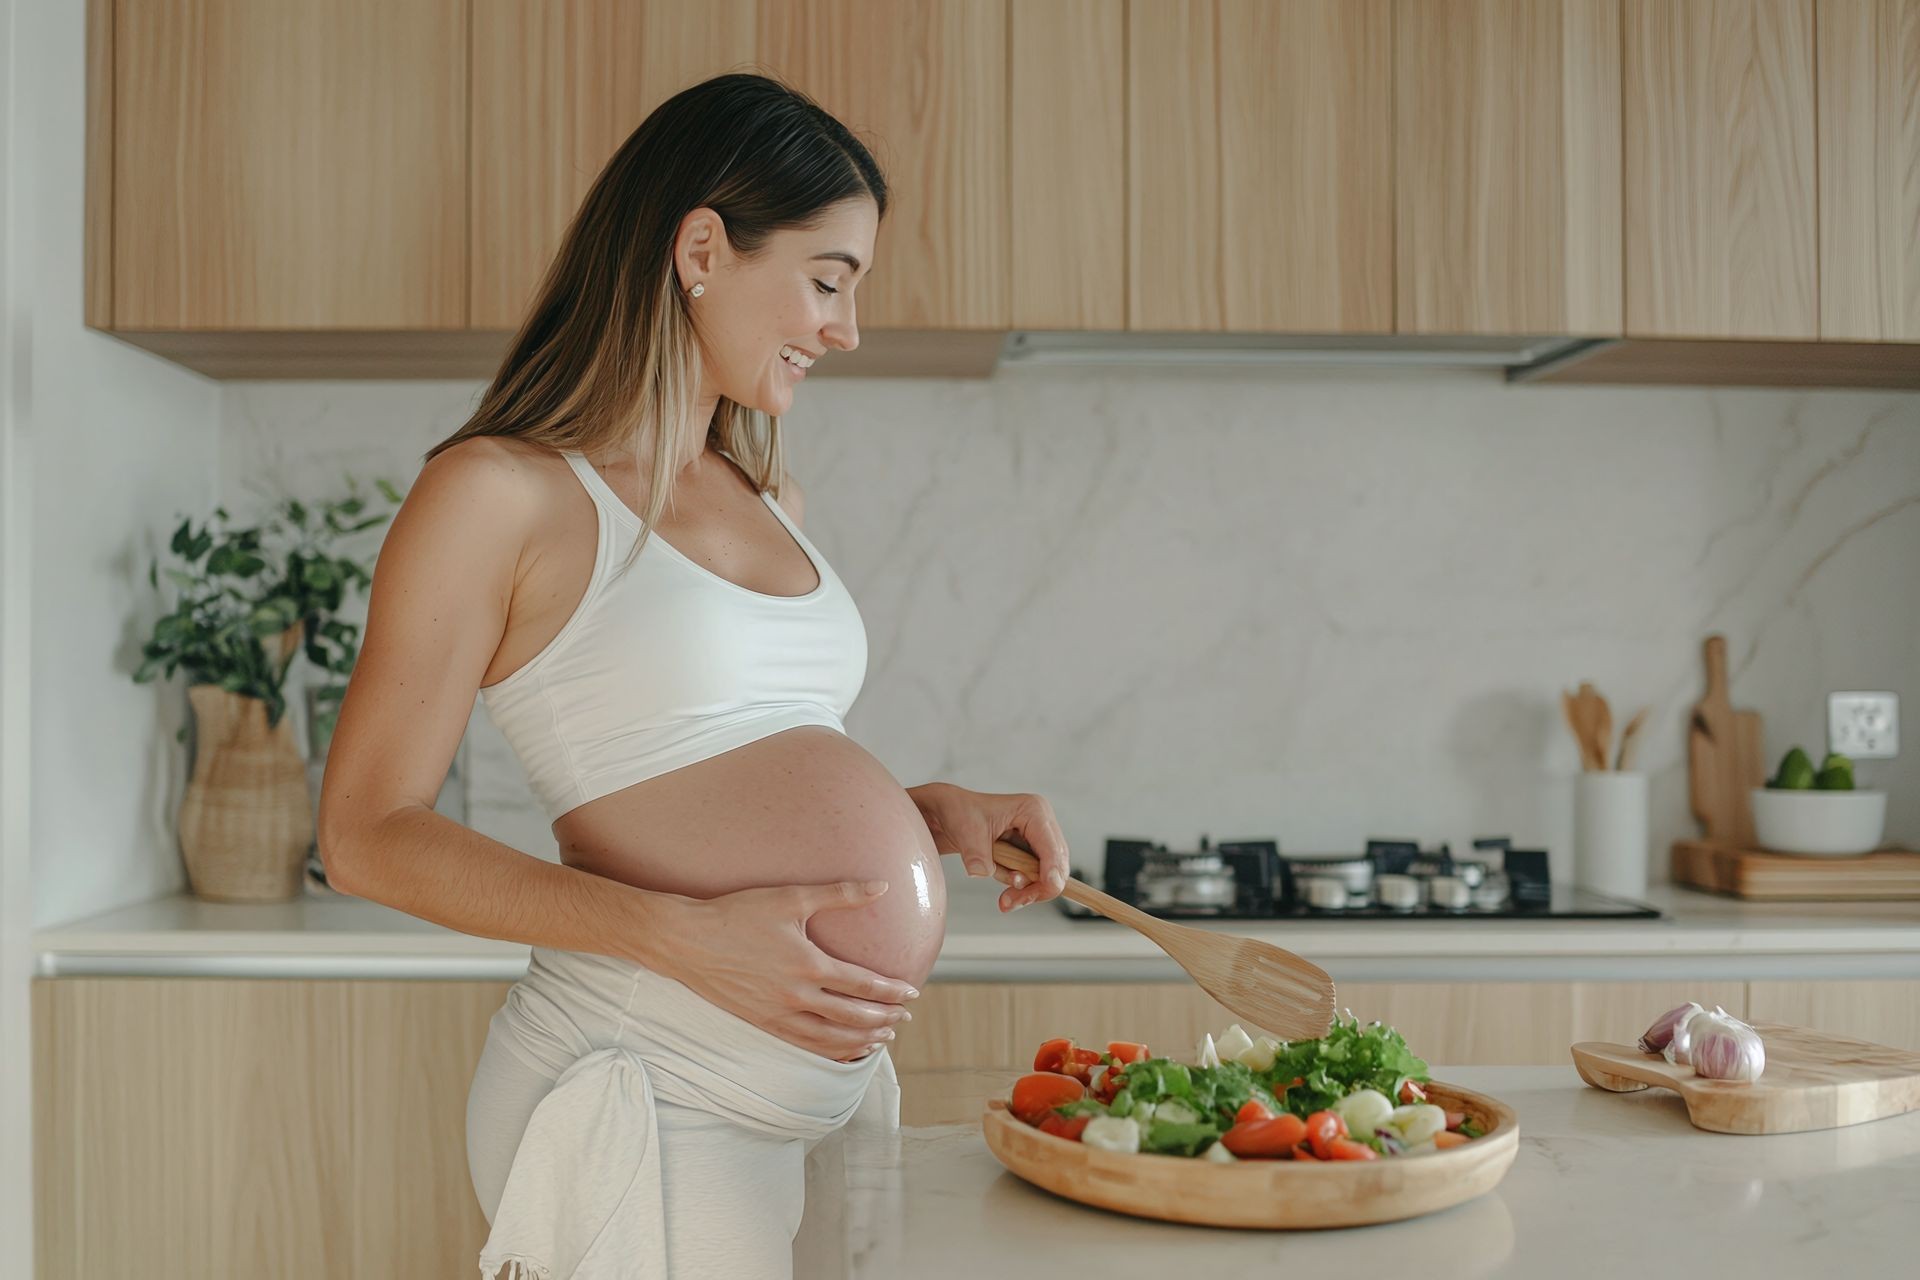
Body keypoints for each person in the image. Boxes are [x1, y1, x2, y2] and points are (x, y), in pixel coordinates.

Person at [315, 73, 1072, 1278]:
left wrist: (923, 818)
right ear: (703, 248)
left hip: (817, 1090)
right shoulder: (498, 493)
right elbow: (364, 834)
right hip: (647, 1088)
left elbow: (716, 759)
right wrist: (678, 937)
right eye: (827, 280)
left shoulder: (772, 496)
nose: (845, 329)